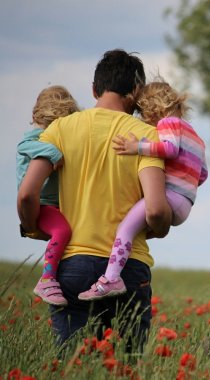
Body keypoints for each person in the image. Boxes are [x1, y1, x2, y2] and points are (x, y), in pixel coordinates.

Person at [17, 49, 172, 353]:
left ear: (93, 89)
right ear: (136, 92)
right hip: (128, 269)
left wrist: (33, 226)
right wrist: (162, 226)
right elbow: (155, 210)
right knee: (125, 368)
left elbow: (26, 194)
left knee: (73, 366)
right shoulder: (146, 137)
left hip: (72, 266)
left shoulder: (59, 129)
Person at [78, 79, 208, 301]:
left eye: (143, 113)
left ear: (153, 108)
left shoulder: (168, 123)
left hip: (170, 197)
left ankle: (110, 279)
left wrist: (136, 147)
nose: (144, 119)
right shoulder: (196, 136)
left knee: (125, 229)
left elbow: (169, 149)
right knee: (136, 229)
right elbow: (202, 174)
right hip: (185, 203)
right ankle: (118, 268)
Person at [16, 85, 79, 306]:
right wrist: (53, 153)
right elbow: (24, 146)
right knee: (62, 230)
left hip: (53, 204)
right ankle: (47, 278)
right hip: (41, 204)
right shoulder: (35, 138)